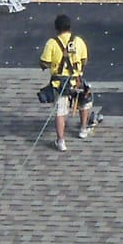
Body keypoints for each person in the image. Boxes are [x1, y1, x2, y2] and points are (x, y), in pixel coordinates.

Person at [39, 14, 93, 152]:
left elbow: (44, 62)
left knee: (60, 112)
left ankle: (61, 141)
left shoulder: (52, 43)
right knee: (84, 102)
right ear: (70, 27)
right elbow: (84, 60)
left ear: (56, 28)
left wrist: (51, 65)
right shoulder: (78, 41)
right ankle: (83, 129)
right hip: (77, 81)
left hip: (60, 84)